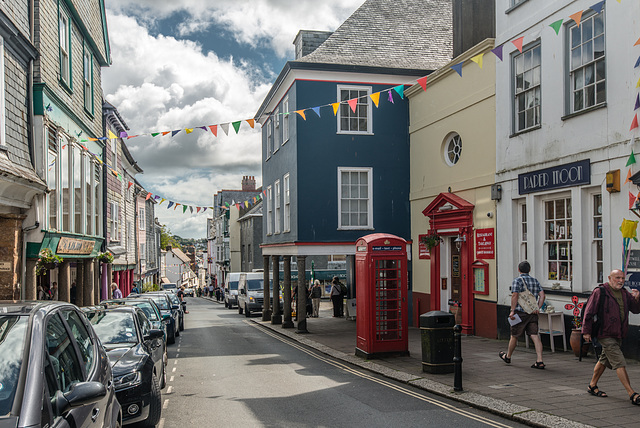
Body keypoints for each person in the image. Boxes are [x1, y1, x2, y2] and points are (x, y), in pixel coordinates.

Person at [583, 269, 640, 404]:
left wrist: (637, 298)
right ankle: (632, 394)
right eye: (617, 278)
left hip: (619, 333)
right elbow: (589, 312)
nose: (620, 281)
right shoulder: (600, 292)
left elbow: (636, 309)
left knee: (604, 359)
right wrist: (586, 331)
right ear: (609, 278)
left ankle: (592, 385)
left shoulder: (624, 293)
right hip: (605, 333)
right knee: (619, 361)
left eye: (622, 278)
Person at [499, 261, 546, 369]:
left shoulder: (517, 280)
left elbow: (515, 295)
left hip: (520, 312)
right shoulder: (535, 281)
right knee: (534, 335)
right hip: (533, 313)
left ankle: (508, 356)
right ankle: (540, 360)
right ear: (529, 270)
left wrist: (512, 310)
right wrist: (537, 307)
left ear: (519, 269)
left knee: (514, 335)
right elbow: (542, 295)